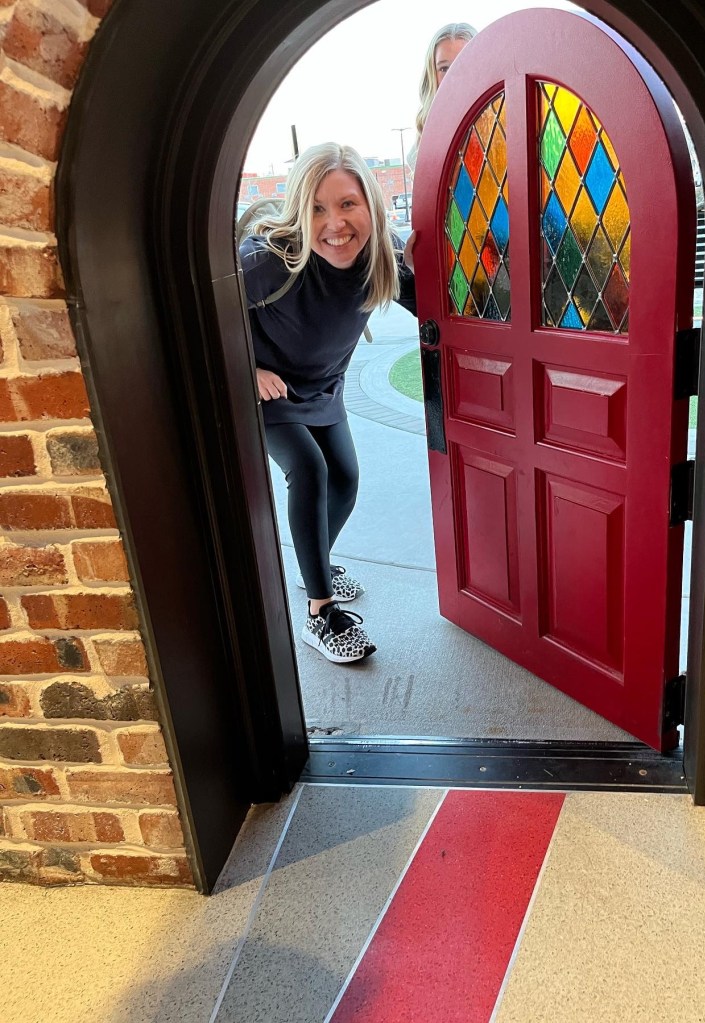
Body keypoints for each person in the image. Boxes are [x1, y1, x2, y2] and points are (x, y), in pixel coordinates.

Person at [239, 143, 416, 664]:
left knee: (345, 479)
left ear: (370, 206)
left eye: (347, 204)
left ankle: (314, 566)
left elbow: (439, 309)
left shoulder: (383, 256)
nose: (335, 224)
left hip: (323, 386)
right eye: (317, 208)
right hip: (268, 389)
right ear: (299, 211)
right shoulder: (267, 261)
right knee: (310, 471)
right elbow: (200, 313)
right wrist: (247, 370)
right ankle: (321, 612)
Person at [407, 22, 477, 170]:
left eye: (464, 64)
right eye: (444, 68)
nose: (454, 75)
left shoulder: (502, 123)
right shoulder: (421, 148)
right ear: (433, 75)